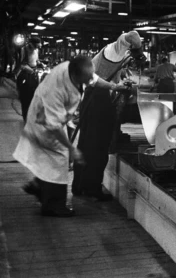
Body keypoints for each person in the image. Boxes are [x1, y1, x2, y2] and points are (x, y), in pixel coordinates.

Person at [13, 56, 129, 217]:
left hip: (54, 117)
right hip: (44, 119)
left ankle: (39, 187)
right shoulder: (56, 89)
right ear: (75, 75)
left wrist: (114, 86)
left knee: (53, 157)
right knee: (60, 157)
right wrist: (71, 149)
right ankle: (54, 206)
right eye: (85, 78)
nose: (89, 80)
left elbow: (94, 80)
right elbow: (53, 125)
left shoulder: (75, 69)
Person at [72, 31, 145, 202]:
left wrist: (122, 77)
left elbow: (109, 73)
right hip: (98, 101)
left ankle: (79, 185)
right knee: (99, 147)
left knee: (86, 145)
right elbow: (133, 35)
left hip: (92, 100)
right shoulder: (114, 49)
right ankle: (92, 188)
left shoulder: (118, 56)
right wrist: (139, 52)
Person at [16, 36, 42, 121]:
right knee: (25, 97)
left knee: (34, 95)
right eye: (36, 46)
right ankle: (25, 117)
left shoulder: (36, 49)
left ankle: (32, 116)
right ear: (31, 44)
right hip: (25, 74)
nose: (37, 48)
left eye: (38, 46)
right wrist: (31, 70)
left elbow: (36, 60)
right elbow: (22, 64)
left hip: (33, 73)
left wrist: (40, 63)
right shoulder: (24, 50)